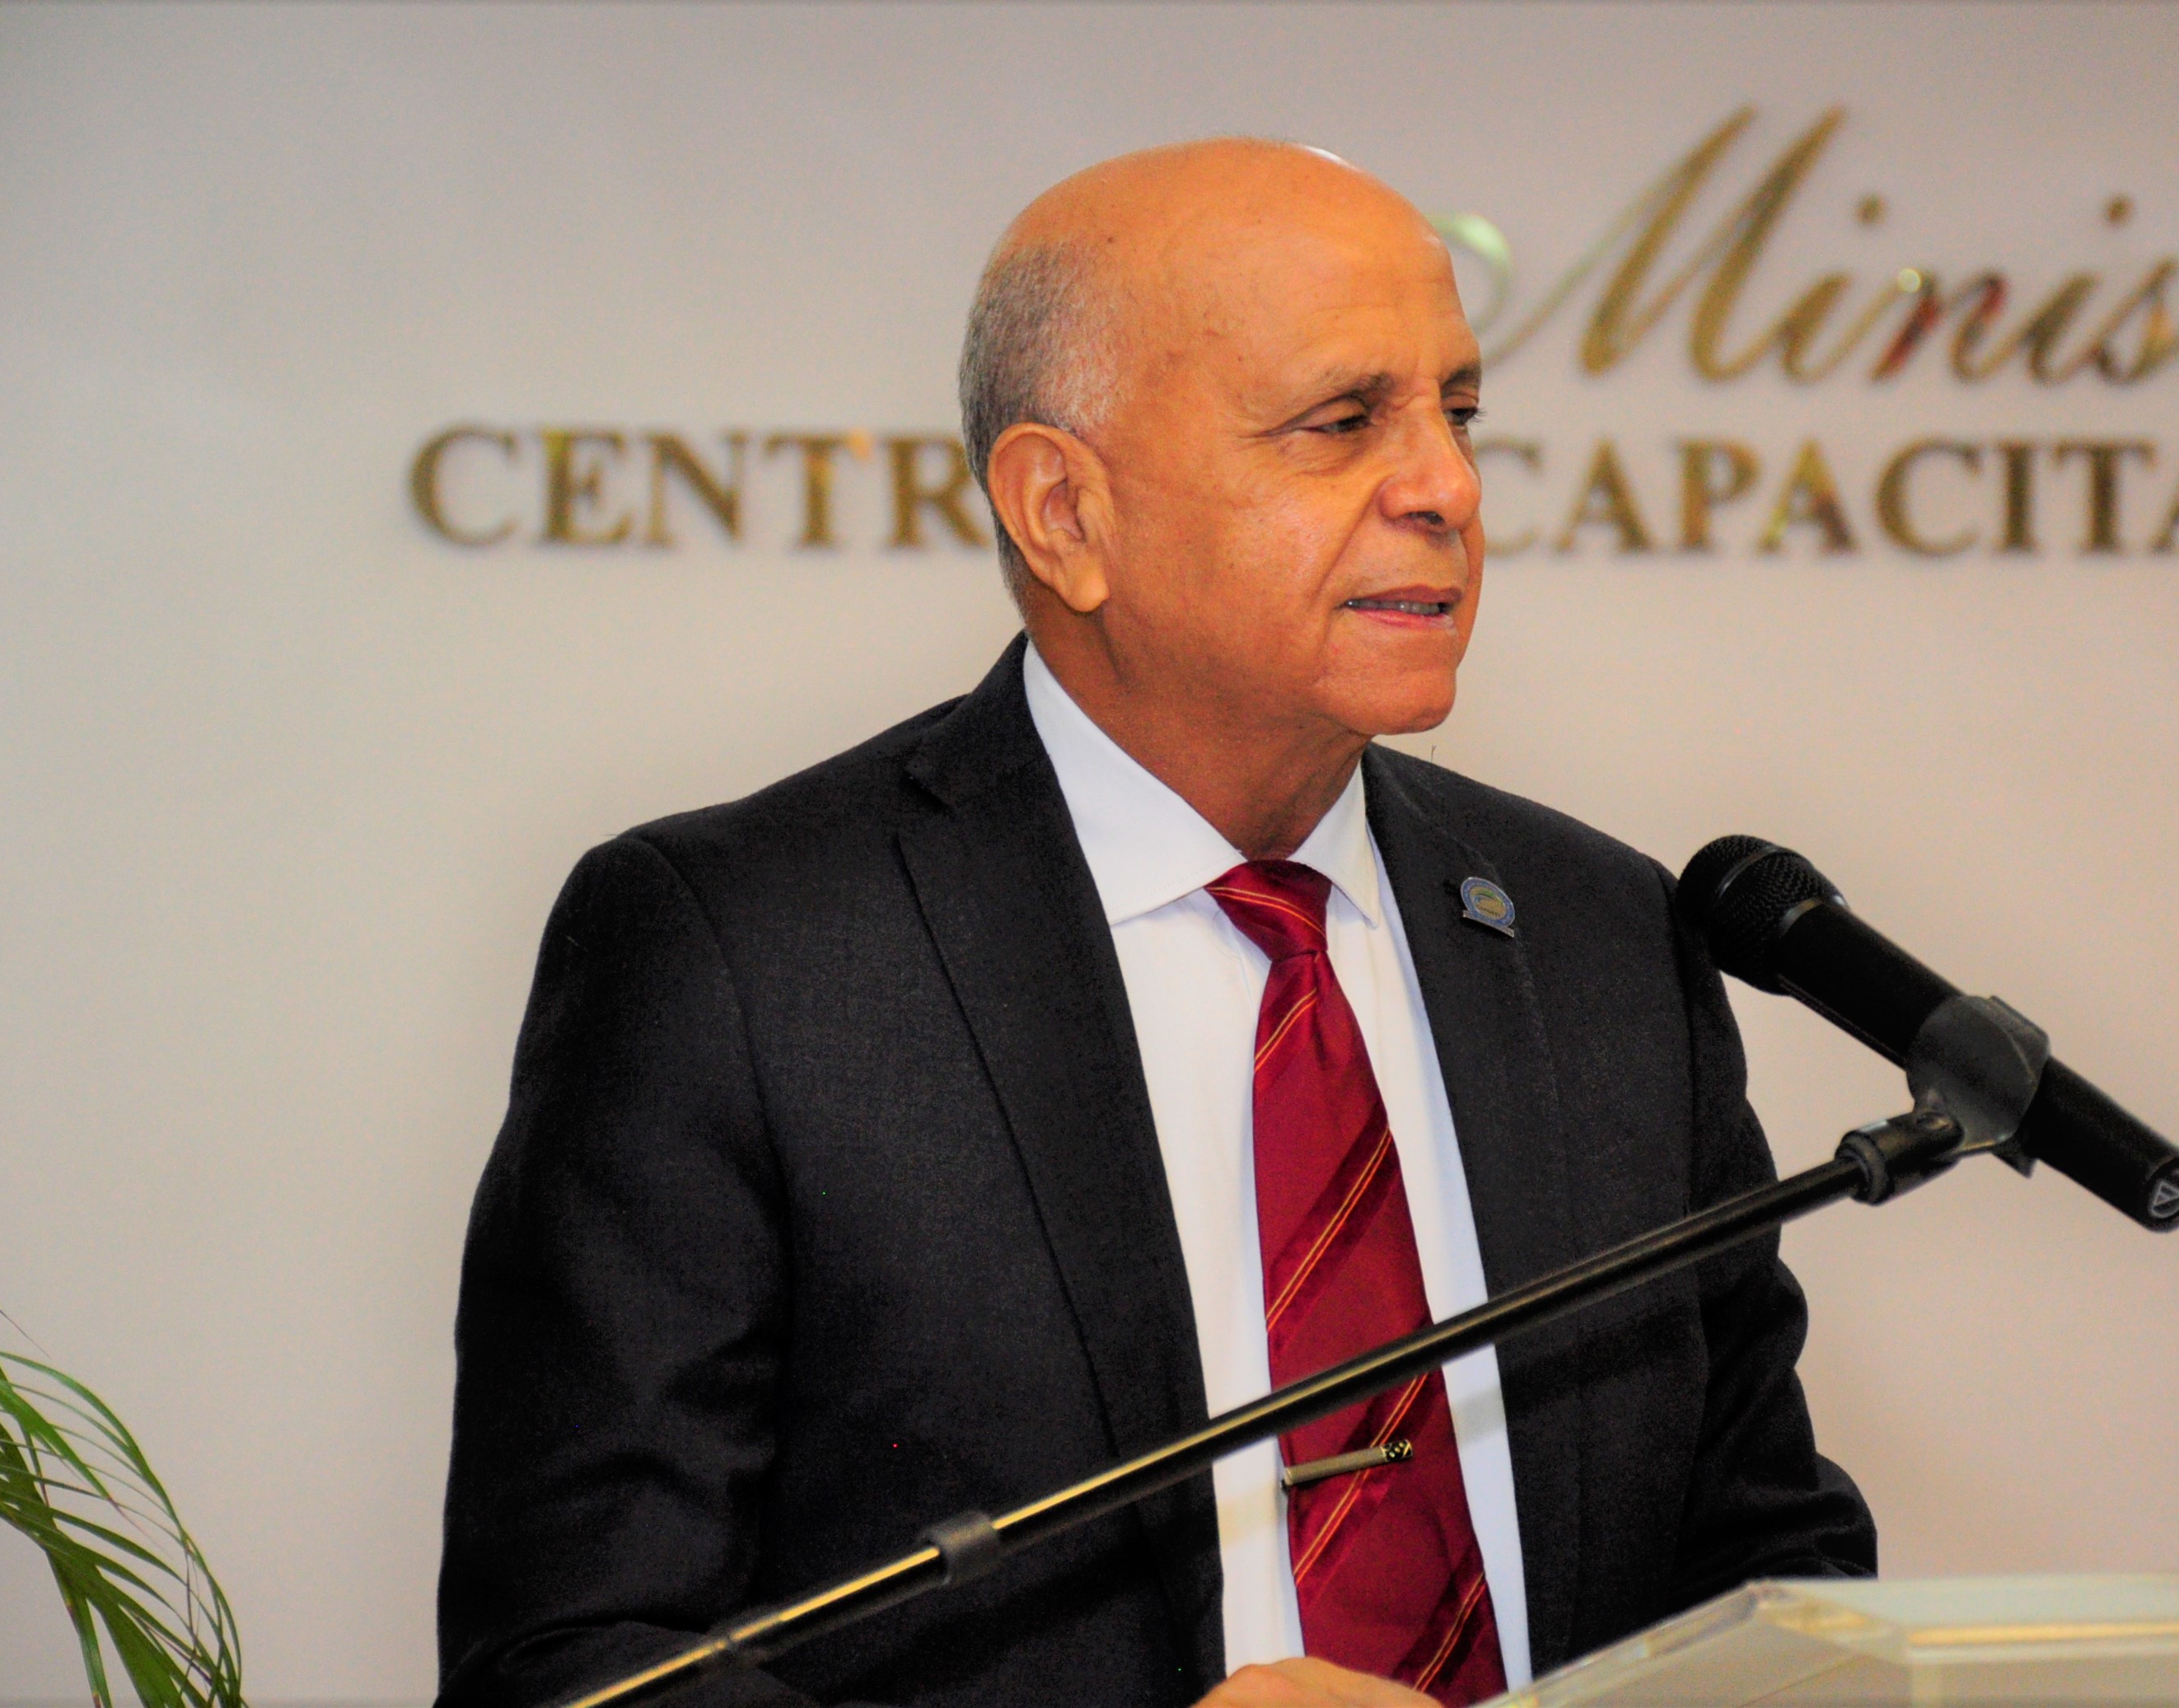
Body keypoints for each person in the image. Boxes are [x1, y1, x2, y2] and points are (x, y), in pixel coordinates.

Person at [437, 139, 1873, 1708]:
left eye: (1457, 413)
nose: (1448, 488)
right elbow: (570, 1664)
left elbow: (1774, 1576)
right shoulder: (747, 958)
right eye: (1344, 421)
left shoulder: (1598, 938)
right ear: (1063, 510)